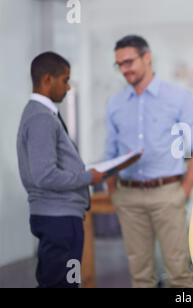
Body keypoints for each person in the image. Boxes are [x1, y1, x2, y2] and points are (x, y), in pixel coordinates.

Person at [105, 35, 193, 288]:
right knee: (140, 276)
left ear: (147, 57)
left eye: (129, 62)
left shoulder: (178, 97)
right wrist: (113, 192)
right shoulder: (115, 103)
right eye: (120, 64)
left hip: (168, 193)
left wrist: (183, 191)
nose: (124, 69)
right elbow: (110, 154)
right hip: (128, 196)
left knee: (179, 273)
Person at [16, 52, 105, 288]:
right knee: (61, 284)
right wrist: (88, 177)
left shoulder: (43, 115)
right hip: (59, 220)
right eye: (65, 80)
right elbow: (45, 175)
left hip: (61, 217)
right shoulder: (41, 118)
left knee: (59, 282)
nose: (67, 88)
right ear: (47, 80)